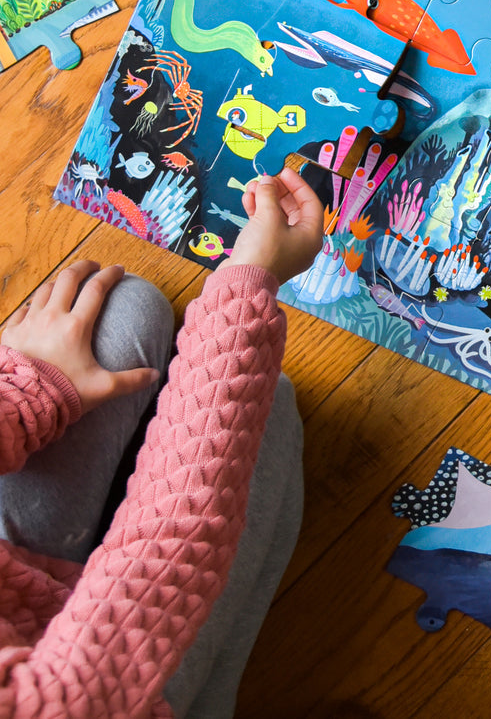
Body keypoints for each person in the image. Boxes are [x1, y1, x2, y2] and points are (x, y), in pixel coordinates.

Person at [0, 168, 324, 718]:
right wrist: (248, 285)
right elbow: (174, 543)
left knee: (125, 306)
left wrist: (31, 391)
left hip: (17, 591)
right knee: (271, 405)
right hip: (114, 695)